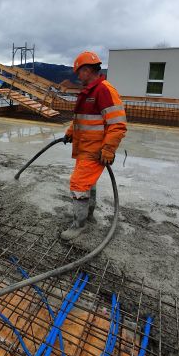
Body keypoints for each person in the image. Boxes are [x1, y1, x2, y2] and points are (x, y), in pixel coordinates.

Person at [61, 51, 127, 241]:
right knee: (87, 183)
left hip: (95, 150)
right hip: (85, 148)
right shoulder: (89, 91)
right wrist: (70, 132)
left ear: (87, 70)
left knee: (79, 184)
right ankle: (88, 215)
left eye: (79, 73)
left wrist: (108, 149)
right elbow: (82, 119)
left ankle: (79, 225)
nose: (77, 77)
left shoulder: (104, 90)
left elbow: (118, 124)